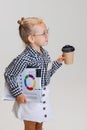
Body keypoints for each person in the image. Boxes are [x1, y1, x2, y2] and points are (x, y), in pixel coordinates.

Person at [4, 17, 64, 130]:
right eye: (43, 33)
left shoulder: (44, 54)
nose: (47, 35)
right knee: (31, 125)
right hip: (30, 98)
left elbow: (44, 78)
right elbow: (9, 74)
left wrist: (57, 63)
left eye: (47, 32)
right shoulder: (25, 58)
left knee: (40, 123)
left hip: (42, 95)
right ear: (31, 38)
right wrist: (18, 94)